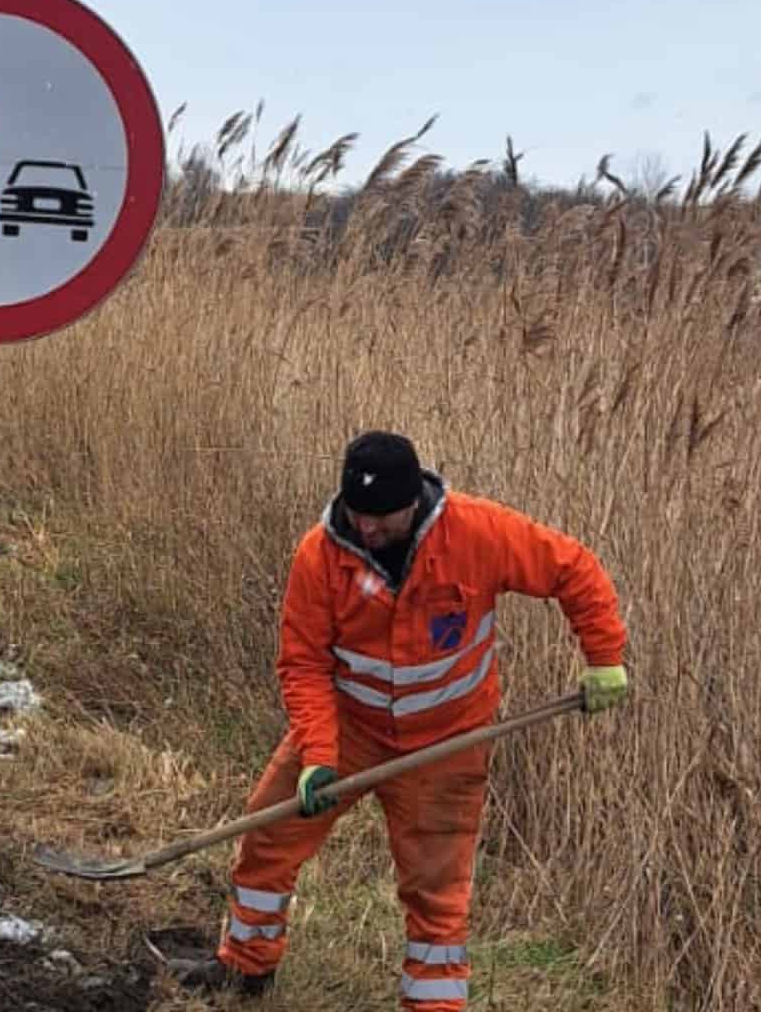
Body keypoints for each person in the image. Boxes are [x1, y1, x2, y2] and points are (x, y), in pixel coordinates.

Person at [174, 431, 629, 1010]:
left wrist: (605, 658)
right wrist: (318, 755)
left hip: (447, 745)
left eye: (381, 518)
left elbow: (573, 569)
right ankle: (246, 967)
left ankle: (433, 1005)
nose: (366, 529)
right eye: (357, 515)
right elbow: (304, 662)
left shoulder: (478, 533)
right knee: (269, 833)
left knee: (436, 892)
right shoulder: (321, 555)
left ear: (413, 501)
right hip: (351, 731)